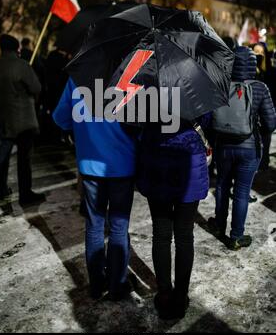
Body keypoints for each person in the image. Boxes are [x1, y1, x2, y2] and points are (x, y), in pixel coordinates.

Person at [53, 77, 137, 301]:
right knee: (119, 226)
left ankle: (97, 284)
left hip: (89, 164)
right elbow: (141, 123)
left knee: (94, 225)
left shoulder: (76, 78)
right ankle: (118, 283)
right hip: (123, 164)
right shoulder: (129, 75)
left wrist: (82, 130)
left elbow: (60, 117)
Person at [136, 115, 210, 320]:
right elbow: (207, 120)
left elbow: (138, 124)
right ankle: (180, 296)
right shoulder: (195, 89)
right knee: (184, 236)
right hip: (189, 164)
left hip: (156, 165)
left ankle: (165, 293)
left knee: (161, 234)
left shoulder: (149, 92)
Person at [209, 46, 276, 250]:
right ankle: (236, 236)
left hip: (223, 147)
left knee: (221, 185)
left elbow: (210, 119)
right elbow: (271, 123)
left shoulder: (220, 86)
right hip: (249, 148)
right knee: (241, 191)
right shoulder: (260, 88)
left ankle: (219, 225)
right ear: (252, 65)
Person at [0, 34, 45, 205]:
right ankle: (25, 195)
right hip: (23, 120)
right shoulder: (21, 66)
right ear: (16, 48)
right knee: (24, 159)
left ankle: (2, 189)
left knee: (3, 156)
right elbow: (36, 87)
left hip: (6, 118)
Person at [251, 42, 276, 170]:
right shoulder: (250, 71)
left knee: (265, 141)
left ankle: (263, 163)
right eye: (255, 52)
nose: (258, 55)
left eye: (261, 52)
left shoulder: (270, 72)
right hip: (253, 113)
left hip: (266, 112)